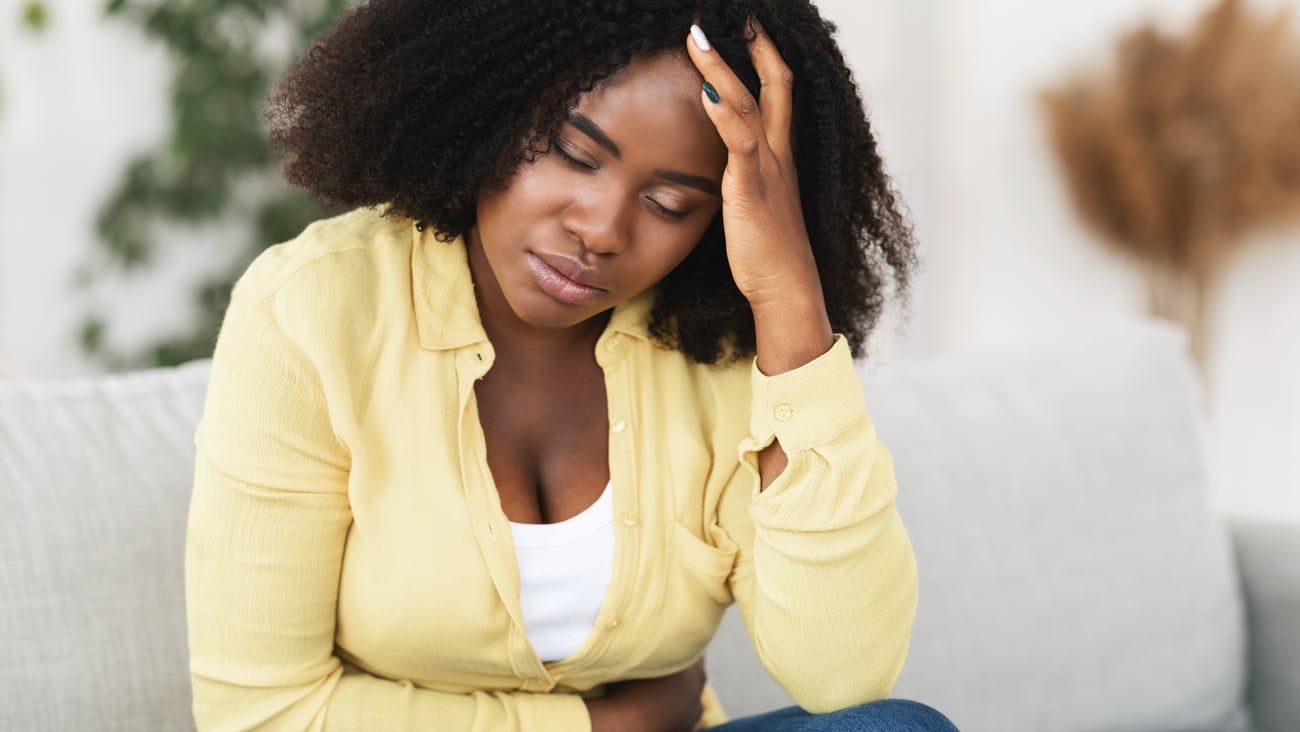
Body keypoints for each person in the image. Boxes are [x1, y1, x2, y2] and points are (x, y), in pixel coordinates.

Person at [185, 1, 958, 730]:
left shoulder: (724, 350)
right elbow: (260, 714)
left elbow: (844, 678)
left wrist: (790, 303)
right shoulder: (312, 313)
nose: (601, 229)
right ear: (493, 103)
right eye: (574, 153)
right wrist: (600, 724)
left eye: (669, 205)